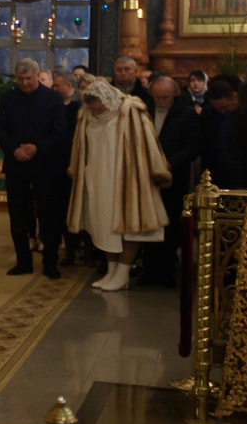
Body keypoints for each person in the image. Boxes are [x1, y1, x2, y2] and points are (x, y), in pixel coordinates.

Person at [67, 79, 171, 292]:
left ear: (108, 99)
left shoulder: (130, 110)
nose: (96, 113)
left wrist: (157, 169)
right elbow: (80, 147)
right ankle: (112, 271)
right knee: (103, 225)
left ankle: (123, 273)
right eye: (93, 109)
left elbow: (150, 143)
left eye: (99, 108)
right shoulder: (86, 115)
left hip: (129, 177)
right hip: (97, 178)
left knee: (131, 228)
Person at [0, 58, 67, 278]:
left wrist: (37, 148)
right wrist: (14, 149)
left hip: (46, 166)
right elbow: (0, 130)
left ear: (37, 76)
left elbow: (60, 131)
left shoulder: (53, 98)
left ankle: (50, 263)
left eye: (28, 78)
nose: (24, 83)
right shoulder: (8, 99)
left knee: (49, 215)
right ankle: (23, 261)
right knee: (18, 215)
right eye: (20, 79)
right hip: (17, 165)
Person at [143, 76, 200, 285]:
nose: (161, 101)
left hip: (174, 178)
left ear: (174, 94)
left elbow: (193, 147)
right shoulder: (144, 111)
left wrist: (171, 162)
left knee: (170, 223)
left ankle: (166, 270)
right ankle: (148, 269)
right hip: (146, 177)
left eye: (165, 97)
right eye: (157, 97)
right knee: (148, 220)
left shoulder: (186, 114)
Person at [52, 71, 84, 265]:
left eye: (57, 85)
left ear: (69, 87)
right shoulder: (52, 106)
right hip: (56, 164)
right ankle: (66, 249)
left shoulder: (78, 109)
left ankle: (83, 250)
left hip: (74, 163)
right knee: (60, 210)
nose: (54, 89)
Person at [200, 77, 240, 188]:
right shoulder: (209, 114)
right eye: (217, 108)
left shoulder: (246, 116)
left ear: (235, 97)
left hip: (239, 174)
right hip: (216, 174)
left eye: (225, 107)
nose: (222, 111)